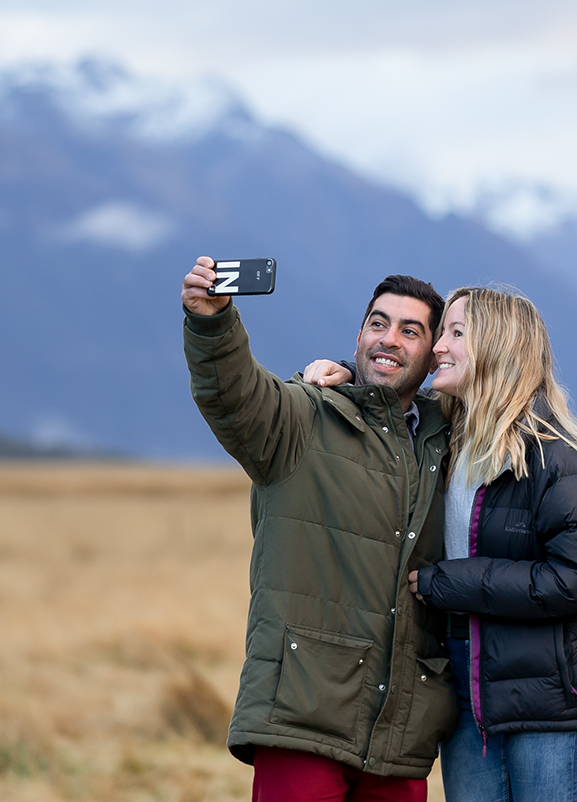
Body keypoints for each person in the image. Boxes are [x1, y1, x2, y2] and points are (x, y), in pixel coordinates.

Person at [305, 287, 577, 802]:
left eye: (456, 334)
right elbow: (392, 393)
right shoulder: (449, 436)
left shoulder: (558, 455)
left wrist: (450, 582)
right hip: (466, 695)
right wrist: (348, 371)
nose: (438, 346)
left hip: (551, 701)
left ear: (497, 348)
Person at [180, 258, 459, 802]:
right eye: (378, 323)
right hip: (301, 718)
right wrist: (212, 323)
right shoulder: (302, 418)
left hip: (399, 735)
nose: (389, 339)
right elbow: (233, 393)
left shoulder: (447, 443)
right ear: (358, 337)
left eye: (410, 331)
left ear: (432, 357)